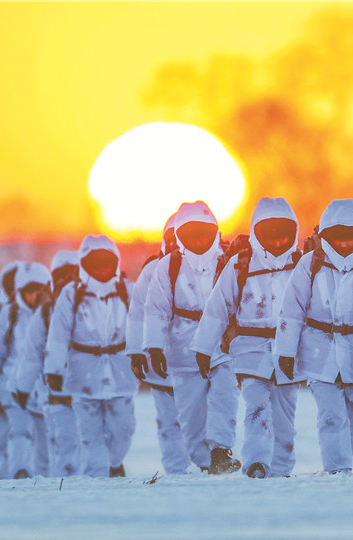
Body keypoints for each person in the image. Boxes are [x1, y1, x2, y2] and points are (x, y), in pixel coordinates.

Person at [192, 198, 303, 478]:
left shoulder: (301, 265)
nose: (277, 243)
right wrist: (204, 348)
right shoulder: (240, 265)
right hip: (250, 348)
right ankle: (256, 463)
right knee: (256, 404)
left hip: (290, 349)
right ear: (257, 232)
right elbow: (218, 308)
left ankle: (281, 468)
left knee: (284, 413)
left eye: (283, 236)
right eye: (270, 236)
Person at [276, 199, 353, 475]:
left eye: (351, 237)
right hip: (318, 351)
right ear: (326, 235)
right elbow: (291, 309)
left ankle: (339, 455)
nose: (344, 243)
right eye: (338, 237)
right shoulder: (311, 264)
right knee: (331, 416)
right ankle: (337, 470)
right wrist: (285, 351)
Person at [144, 201, 241, 475]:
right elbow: (156, 309)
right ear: (180, 237)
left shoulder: (227, 261)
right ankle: (205, 459)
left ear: (215, 232)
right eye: (191, 235)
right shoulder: (169, 266)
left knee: (225, 398)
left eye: (204, 234)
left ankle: (221, 450)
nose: (199, 241)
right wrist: (154, 347)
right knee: (190, 415)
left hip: (222, 348)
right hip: (182, 351)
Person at [45, 235, 137, 478]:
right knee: (89, 437)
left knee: (124, 430)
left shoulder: (128, 291)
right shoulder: (70, 295)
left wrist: (144, 356)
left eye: (107, 263)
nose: (102, 270)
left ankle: (114, 462)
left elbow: (142, 324)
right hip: (82, 375)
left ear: (116, 262)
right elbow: (58, 334)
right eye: (95, 265)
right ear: (84, 266)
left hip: (121, 373)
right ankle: (96, 482)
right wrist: (54, 370)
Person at [126, 214, 192, 475]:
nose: (177, 245)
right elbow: (137, 313)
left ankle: (208, 464)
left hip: (198, 359)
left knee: (201, 416)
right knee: (168, 421)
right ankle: (176, 469)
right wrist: (136, 352)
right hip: (161, 359)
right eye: (172, 239)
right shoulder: (153, 270)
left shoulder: (210, 267)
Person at [0, 262, 51, 479]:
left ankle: (48, 480)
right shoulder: (9, 315)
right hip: (13, 386)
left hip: (45, 389)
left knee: (45, 439)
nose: (33, 295)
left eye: (37, 289)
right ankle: (20, 471)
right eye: (28, 291)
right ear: (19, 292)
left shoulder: (52, 314)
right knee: (19, 431)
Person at [16, 250, 81, 477]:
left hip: (91, 392)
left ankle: (94, 493)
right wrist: (23, 387)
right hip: (56, 394)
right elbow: (32, 354)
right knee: (64, 449)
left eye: (74, 274)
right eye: (63, 275)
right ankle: (64, 495)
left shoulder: (94, 307)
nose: (68, 280)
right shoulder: (45, 313)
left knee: (91, 448)